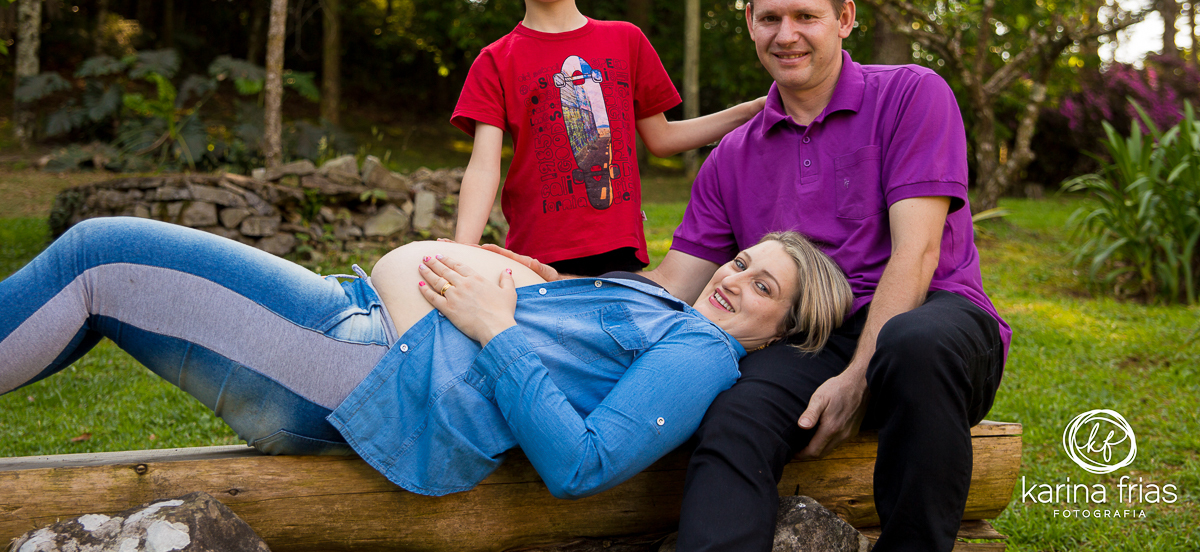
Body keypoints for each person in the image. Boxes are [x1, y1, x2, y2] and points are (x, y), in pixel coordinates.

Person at [0, 216, 851, 499]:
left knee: (99, 260)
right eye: (744, 262)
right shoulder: (674, 309)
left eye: (765, 288)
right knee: (101, 281)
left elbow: (584, 464)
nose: (737, 279)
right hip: (358, 326)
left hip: (358, 368)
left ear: (783, 331)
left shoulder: (702, 353)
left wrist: (498, 324)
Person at [640, 0, 1011, 551]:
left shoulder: (912, 95)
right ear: (751, 25)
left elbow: (915, 255)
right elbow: (672, 286)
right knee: (734, 418)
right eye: (770, 18)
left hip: (932, 317)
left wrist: (859, 377)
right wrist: (550, 284)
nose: (786, 34)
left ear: (844, 19)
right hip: (810, 337)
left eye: (805, 15)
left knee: (912, 344)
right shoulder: (733, 155)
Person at [452, 0, 765, 276]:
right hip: (535, 258)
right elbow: (484, 166)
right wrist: (463, 251)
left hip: (620, 255)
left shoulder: (626, 41)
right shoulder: (495, 61)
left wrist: (750, 111)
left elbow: (662, 139)